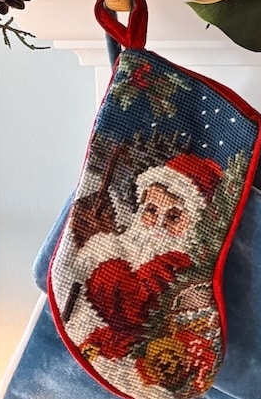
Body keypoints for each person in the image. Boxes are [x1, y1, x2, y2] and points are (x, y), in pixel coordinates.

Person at [51, 152, 223, 370]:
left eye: (174, 216)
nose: (159, 224)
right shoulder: (123, 244)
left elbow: (129, 309)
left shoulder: (175, 264)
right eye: (151, 210)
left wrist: (103, 263)